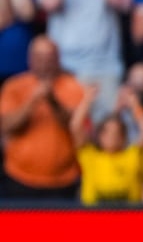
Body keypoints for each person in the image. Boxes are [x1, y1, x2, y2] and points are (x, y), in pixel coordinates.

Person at [0, 35, 86, 199]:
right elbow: (6, 126)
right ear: (30, 59)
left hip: (64, 180)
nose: (44, 63)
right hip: (19, 178)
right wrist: (31, 102)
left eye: (48, 57)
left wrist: (52, 100)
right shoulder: (14, 86)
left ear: (58, 59)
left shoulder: (73, 87)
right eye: (39, 57)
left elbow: (76, 128)